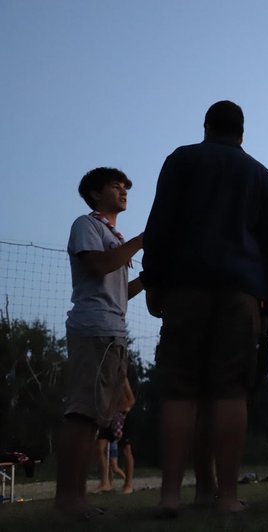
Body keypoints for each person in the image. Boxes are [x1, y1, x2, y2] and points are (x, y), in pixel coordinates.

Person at [141, 100, 268, 515]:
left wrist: (154, 281)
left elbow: (160, 224)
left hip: (185, 289)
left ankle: (169, 496)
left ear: (205, 127)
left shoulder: (181, 160)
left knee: (181, 391)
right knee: (229, 391)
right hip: (239, 295)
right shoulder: (261, 175)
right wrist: (266, 300)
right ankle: (227, 498)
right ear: (242, 132)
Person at [54, 167, 144, 517]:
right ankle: (68, 500)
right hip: (93, 330)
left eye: (126, 188)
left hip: (112, 331)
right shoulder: (86, 226)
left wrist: (149, 279)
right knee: (82, 414)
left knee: (94, 419)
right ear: (94, 193)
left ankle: (77, 499)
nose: (124, 192)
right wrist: (141, 240)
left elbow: (122, 293)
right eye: (115, 186)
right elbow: (97, 267)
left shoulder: (113, 236)